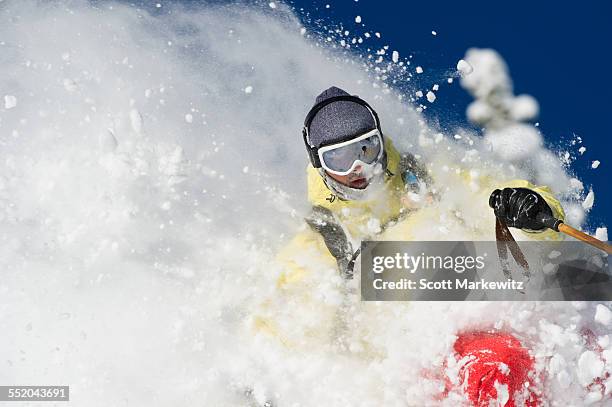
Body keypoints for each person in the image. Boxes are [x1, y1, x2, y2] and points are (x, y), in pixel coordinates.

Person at [276, 86, 565, 282]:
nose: (358, 168)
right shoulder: (321, 237)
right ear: (318, 163)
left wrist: (532, 208)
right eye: (339, 159)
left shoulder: (424, 175)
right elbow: (288, 314)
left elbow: (484, 195)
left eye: (366, 148)